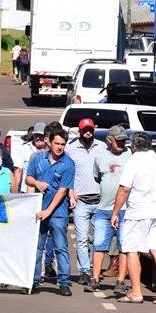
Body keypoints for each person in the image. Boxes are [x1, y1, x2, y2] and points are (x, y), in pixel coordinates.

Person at [110, 132, 156, 304]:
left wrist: (115, 212)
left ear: (133, 147)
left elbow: (124, 189)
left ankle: (136, 291)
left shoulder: (133, 161)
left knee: (132, 249)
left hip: (138, 213)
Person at [26, 126, 76, 296]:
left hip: (57, 212)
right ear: (49, 142)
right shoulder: (38, 158)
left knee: (60, 247)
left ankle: (63, 282)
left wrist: (48, 211)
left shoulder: (68, 164)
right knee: (37, 247)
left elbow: (63, 191)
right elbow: (28, 177)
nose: (59, 147)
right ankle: (32, 281)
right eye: (57, 143)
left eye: (63, 144)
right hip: (37, 208)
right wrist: (36, 183)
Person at [86, 125, 132, 294]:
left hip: (125, 210)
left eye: (123, 140)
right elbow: (98, 178)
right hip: (104, 209)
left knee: (123, 247)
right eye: (118, 140)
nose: (122, 143)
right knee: (99, 245)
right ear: (109, 140)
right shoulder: (100, 157)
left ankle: (120, 281)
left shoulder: (130, 155)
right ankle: (95, 278)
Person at [65, 118, 107, 284]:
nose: (88, 132)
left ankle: (94, 269)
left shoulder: (102, 147)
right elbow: (69, 174)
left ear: (94, 129)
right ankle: (84, 270)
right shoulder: (71, 149)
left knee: (97, 239)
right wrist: (71, 194)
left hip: (100, 200)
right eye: (85, 129)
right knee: (81, 239)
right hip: (80, 200)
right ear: (79, 130)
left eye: (90, 129)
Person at [12, 122, 47, 194]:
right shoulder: (24, 148)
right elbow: (18, 172)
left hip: (46, 190)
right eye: (36, 135)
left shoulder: (51, 149)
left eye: (41, 135)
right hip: (26, 192)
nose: (38, 138)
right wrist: (15, 194)